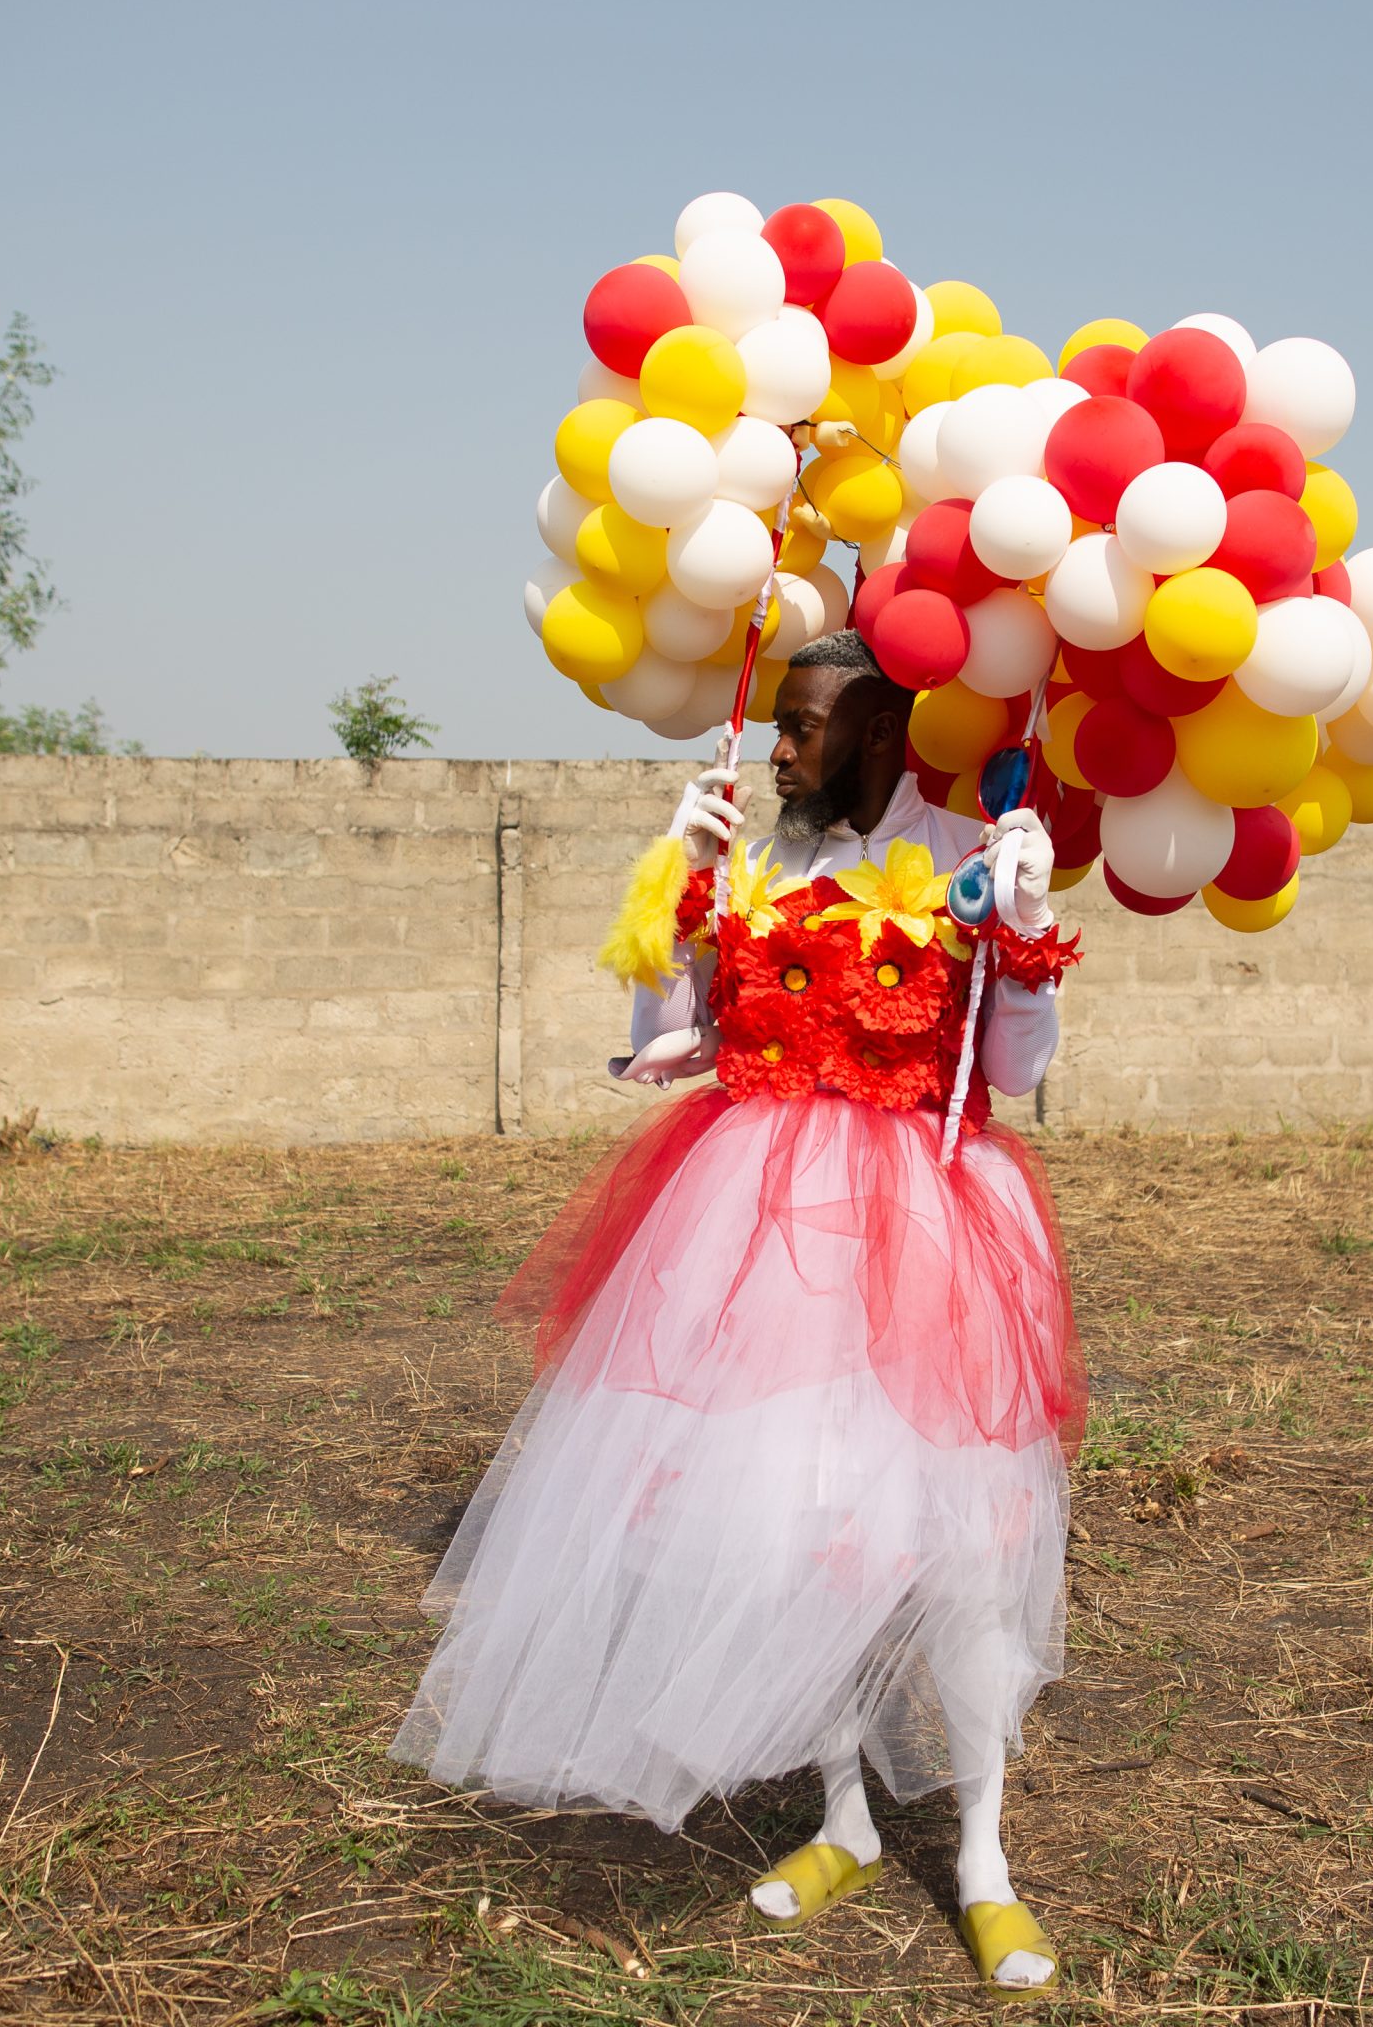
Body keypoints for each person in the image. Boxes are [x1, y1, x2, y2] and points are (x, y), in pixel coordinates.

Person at [391, 629, 1085, 1994]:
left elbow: (1012, 1062)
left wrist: (1018, 932)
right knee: (800, 1535)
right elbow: (674, 1043)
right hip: (751, 1234)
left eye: (807, 726)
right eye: (782, 723)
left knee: (954, 1552)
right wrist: (681, 883)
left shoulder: (972, 845)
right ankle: (841, 1820)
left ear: (884, 732)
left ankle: (986, 1861)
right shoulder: (761, 859)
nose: (779, 749)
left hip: (922, 1230)